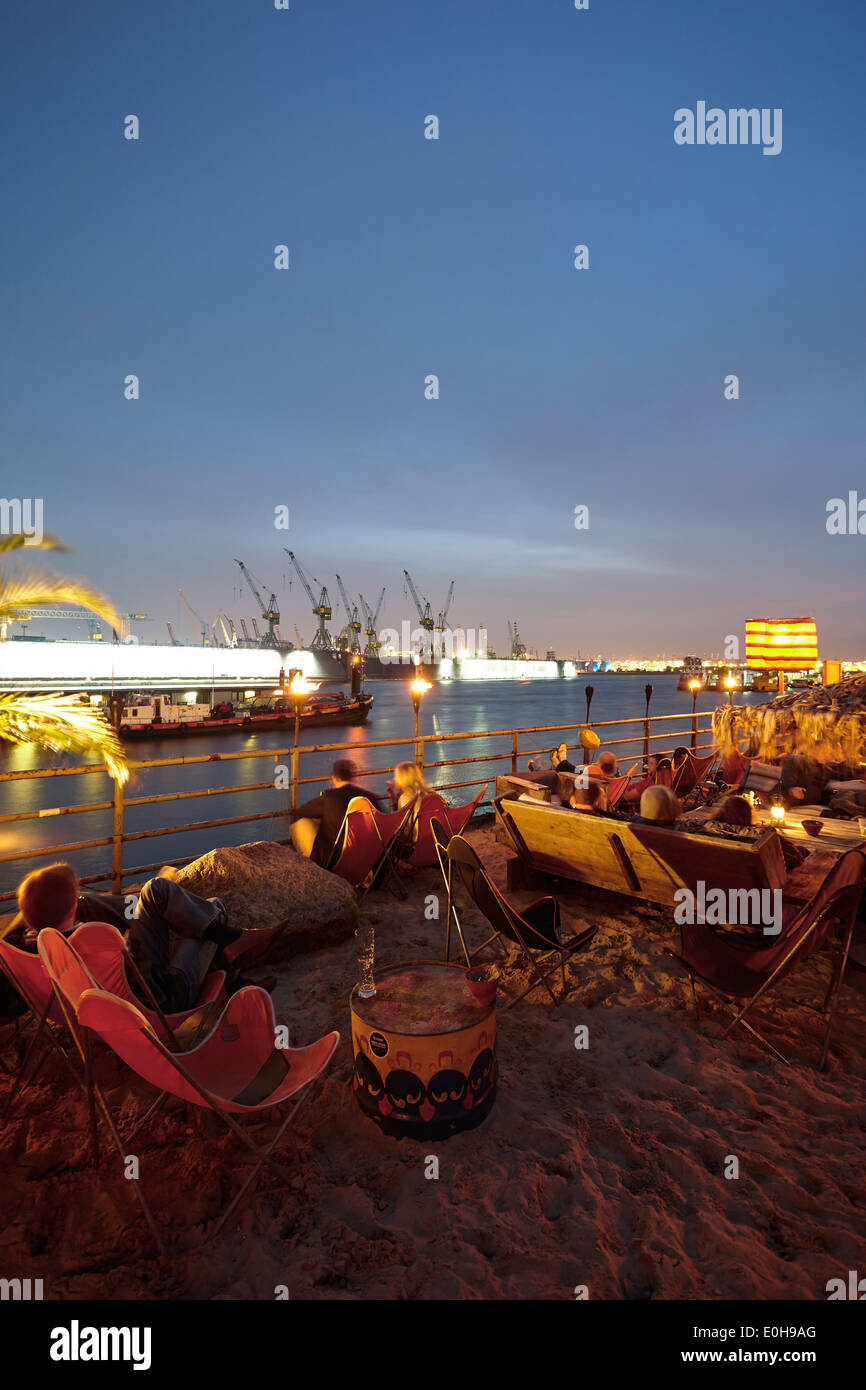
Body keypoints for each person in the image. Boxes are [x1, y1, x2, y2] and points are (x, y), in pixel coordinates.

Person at [5, 861, 258, 1014]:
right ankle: (237, 977)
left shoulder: (31, 947)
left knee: (157, 892)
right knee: (213, 908)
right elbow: (135, 960)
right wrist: (128, 936)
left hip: (106, 1012)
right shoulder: (95, 940)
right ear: (73, 906)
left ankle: (159, 895)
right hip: (163, 1003)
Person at [288, 758, 383, 866]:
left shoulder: (329, 797)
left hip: (333, 861)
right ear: (353, 776)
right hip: (367, 860)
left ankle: (310, 867)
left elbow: (300, 812)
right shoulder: (369, 798)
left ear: (334, 778)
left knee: (303, 823)